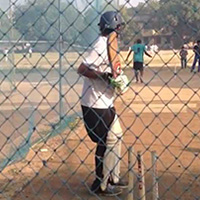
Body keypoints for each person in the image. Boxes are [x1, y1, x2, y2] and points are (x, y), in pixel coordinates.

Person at [77, 11, 127, 196]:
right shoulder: (100, 44)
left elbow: (111, 68)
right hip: (93, 104)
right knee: (105, 142)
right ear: (117, 27)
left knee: (116, 136)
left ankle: (113, 176)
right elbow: (82, 69)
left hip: (105, 102)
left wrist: (117, 79)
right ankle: (101, 183)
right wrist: (103, 76)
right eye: (120, 27)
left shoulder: (110, 44)